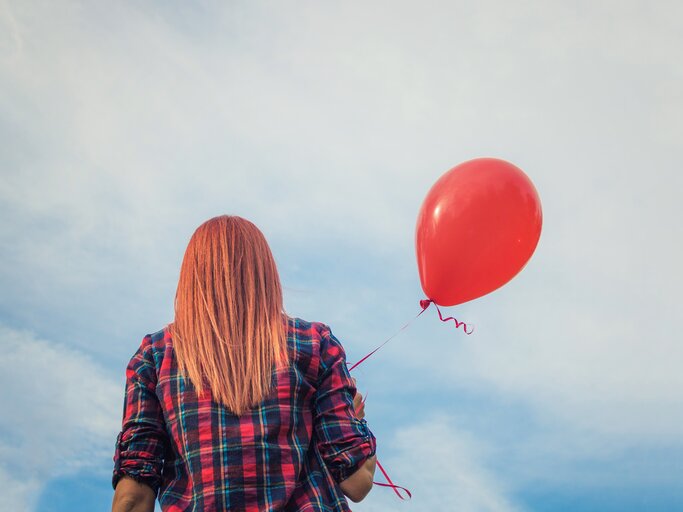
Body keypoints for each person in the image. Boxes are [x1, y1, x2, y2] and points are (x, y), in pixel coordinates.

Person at [111, 215, 377, 512]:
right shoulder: (314, 342)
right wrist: (354, 419)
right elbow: (356, 482)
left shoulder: (155, 357)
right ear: (265, 273)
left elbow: (134, 497)